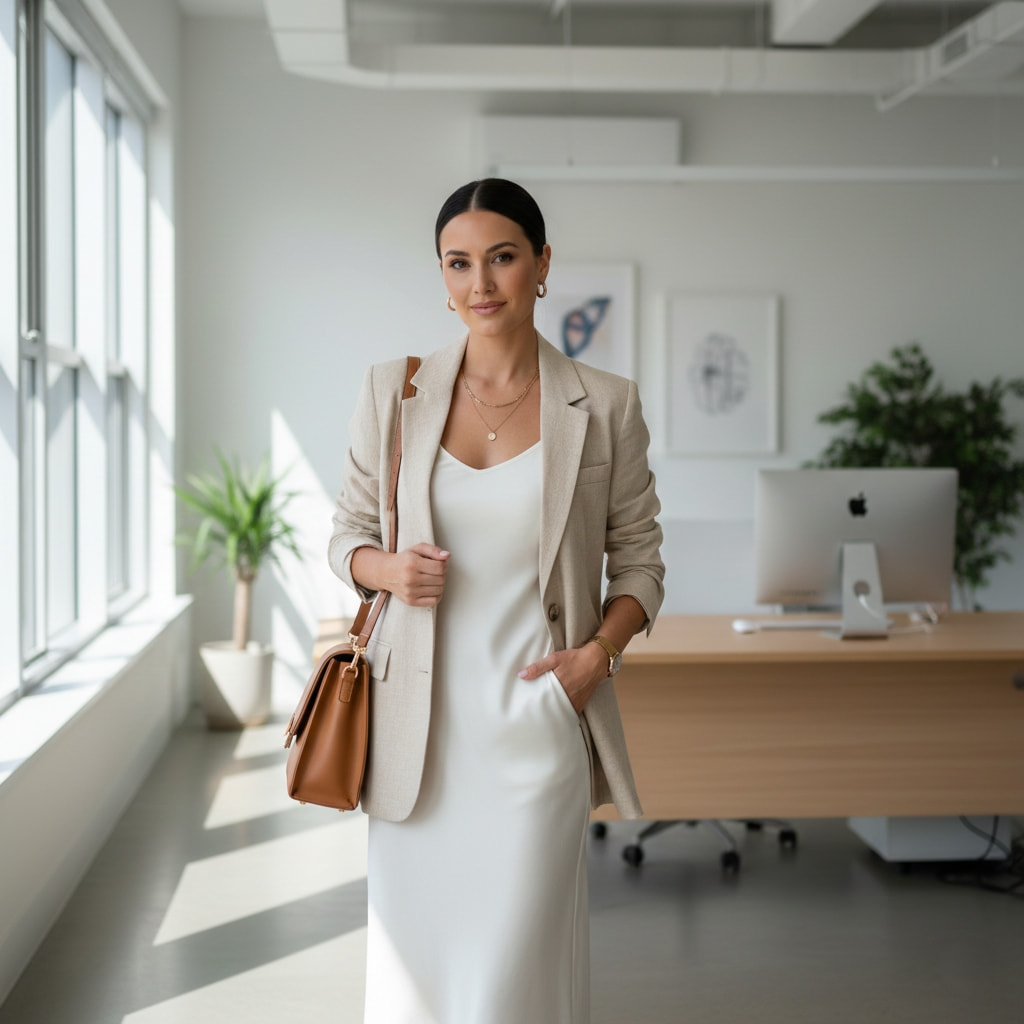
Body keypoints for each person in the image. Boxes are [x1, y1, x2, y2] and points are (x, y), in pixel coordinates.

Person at [328, 178, 664, 1024]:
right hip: (419, 737)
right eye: (460, 263)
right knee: (419, 982)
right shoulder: (391, 394)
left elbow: (642, 563)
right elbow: (345, 538)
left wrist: (597, 657)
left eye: (503, 258)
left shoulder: (606, 404)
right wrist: (386, 571)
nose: (481, 283)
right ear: (442, 277)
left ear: (542, 266)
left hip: (535, 728)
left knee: (516, 980)